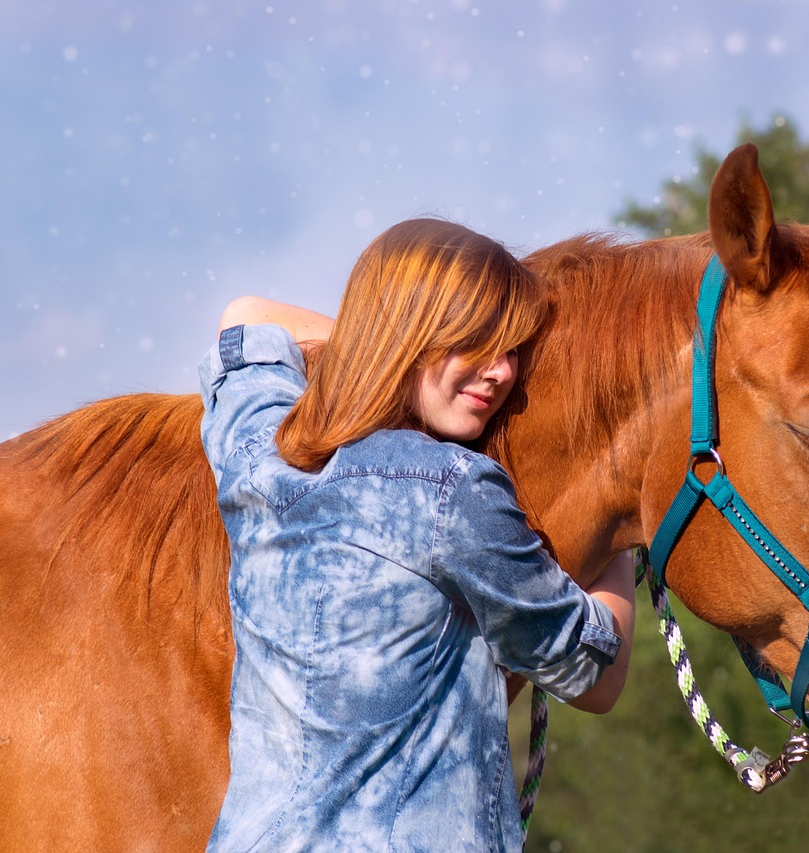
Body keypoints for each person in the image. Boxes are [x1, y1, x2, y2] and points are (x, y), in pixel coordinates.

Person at [198, 218, 635, 852]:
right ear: (411, 332)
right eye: (474, 342)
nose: (502, 373)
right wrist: (619, 524)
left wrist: (389, 352)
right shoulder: (453, 489)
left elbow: (247, 315)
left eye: (511, 348)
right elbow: (595, 674)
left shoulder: (254, 450)